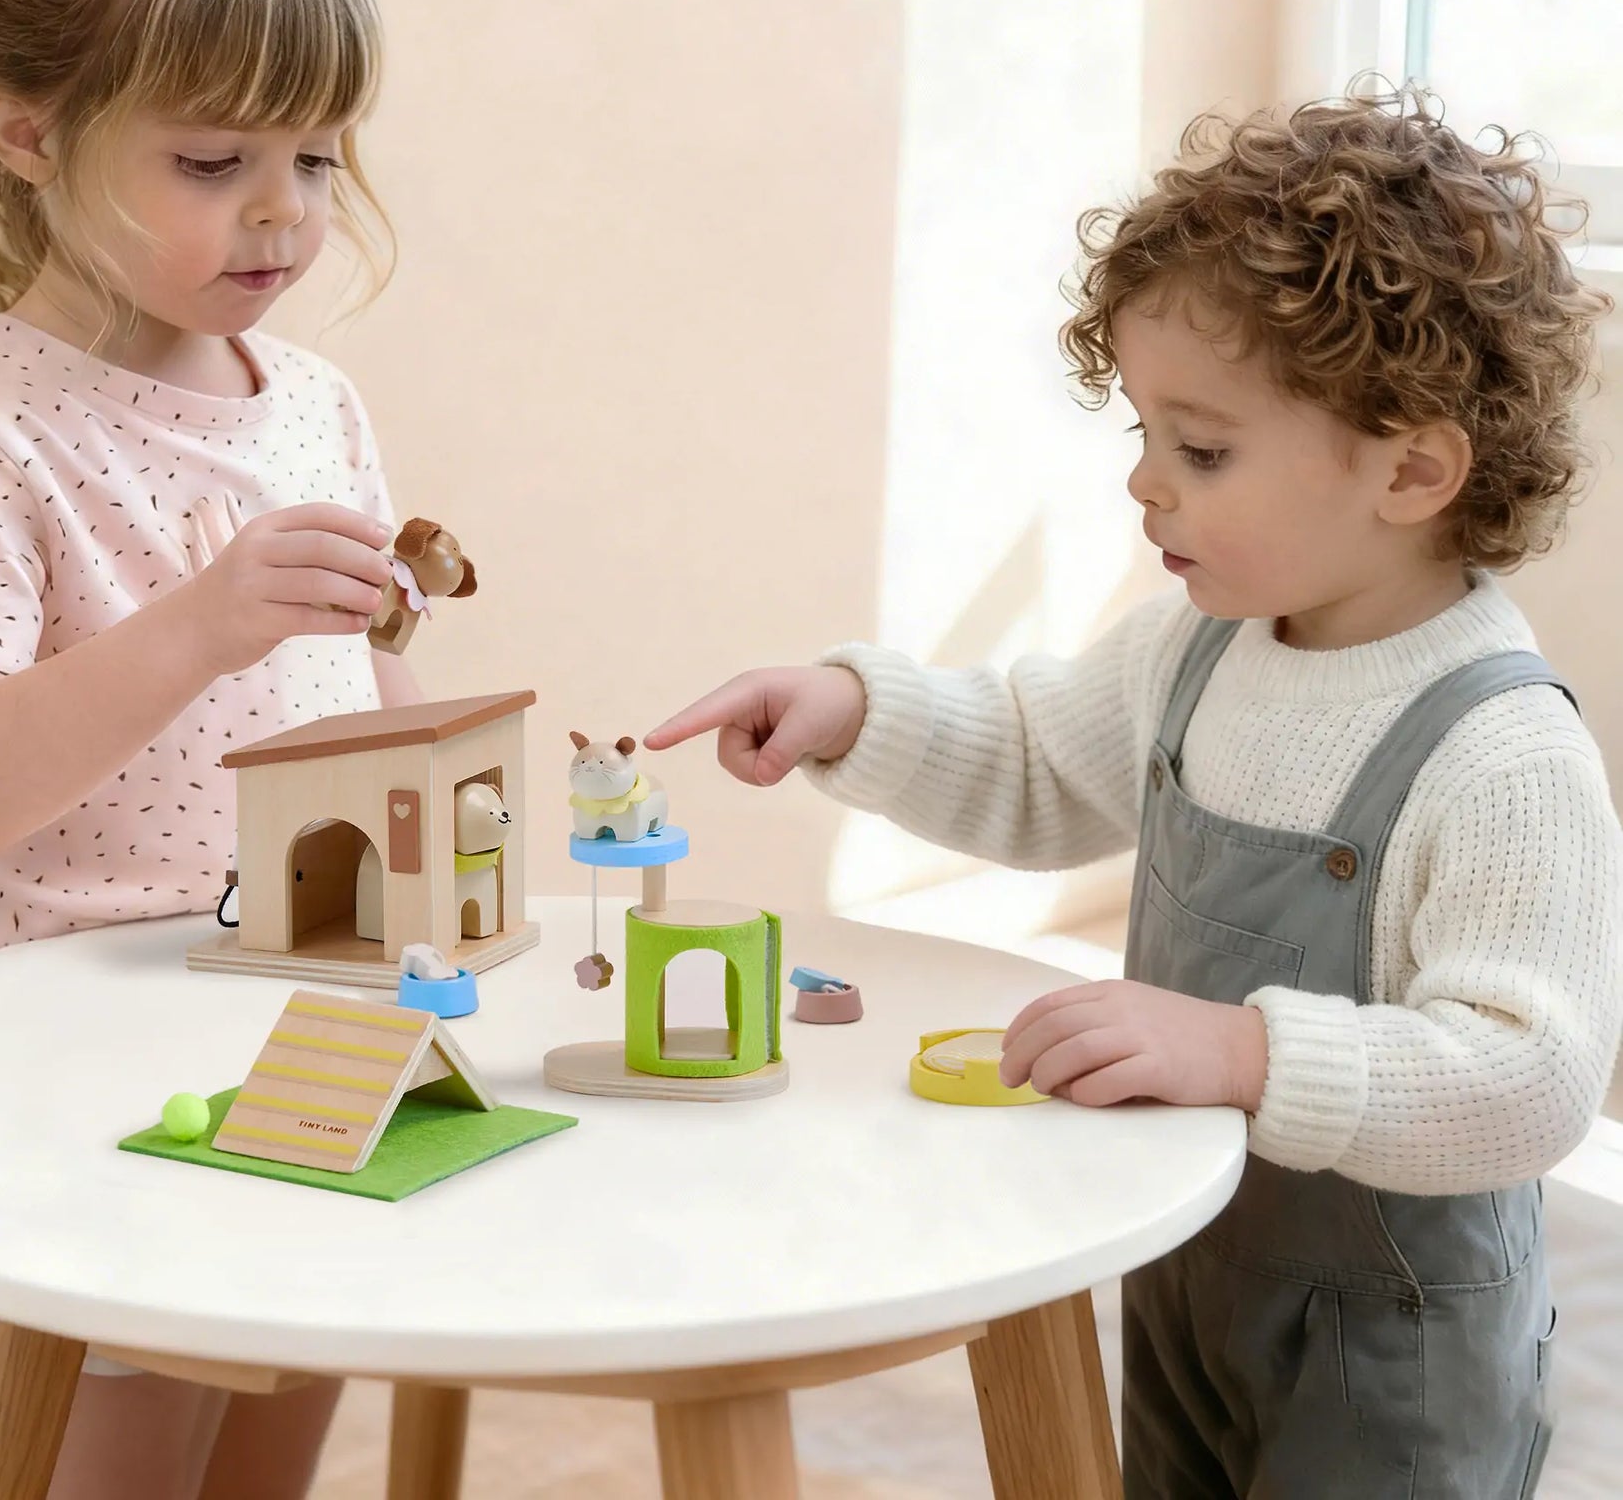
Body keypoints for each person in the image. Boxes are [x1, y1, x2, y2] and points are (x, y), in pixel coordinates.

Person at [647, 91, 1623, 1496]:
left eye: (1202, 450)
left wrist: (1242, 1057)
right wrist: (856, 712)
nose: (1143, 486)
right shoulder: (1203, 645)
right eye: (1148, 434)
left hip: (1390, 1353)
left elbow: (1530, 1080)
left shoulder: (1500, 756)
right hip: (1189, 1266)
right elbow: (1041, 762)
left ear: (1410, 468)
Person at [0, 0, 421, 1499]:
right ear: (29, 134)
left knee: (264, 1468)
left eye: (314, 157)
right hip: (61, 1088)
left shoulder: (313, 403)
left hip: (303, 1049)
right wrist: (202, 621)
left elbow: (374, 713)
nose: (284, 214)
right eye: (211, 161)